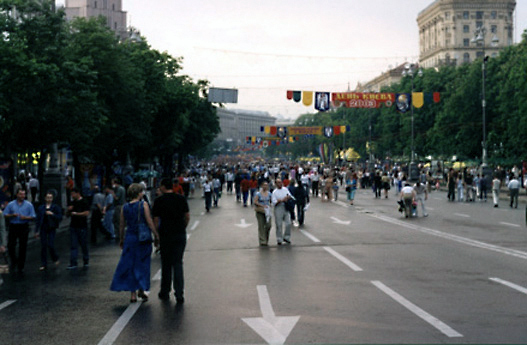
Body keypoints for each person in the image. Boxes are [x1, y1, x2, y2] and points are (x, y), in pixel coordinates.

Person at [110, 183, 160, 303]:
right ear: (138, 193)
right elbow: (149, 221)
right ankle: (142, 289)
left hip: (130, 238)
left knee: (131, 265)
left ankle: (132, 294)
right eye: (141, 192)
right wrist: (156, 235)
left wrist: (121, 239)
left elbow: (122, 225)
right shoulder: (143, 205)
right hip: (143, 239)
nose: (143, 193)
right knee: (143, 264)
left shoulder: (125, 207)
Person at [152, 178, 190, 304]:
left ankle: (165, 291)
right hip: (179, 234)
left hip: (166, 234)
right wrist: (182, 227)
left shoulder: (159, 201)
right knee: (178, 263)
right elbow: (187, 216)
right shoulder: (180, 199)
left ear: (163, 187)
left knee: (166, 264)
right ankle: (179, 293)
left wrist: (156, 235)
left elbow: (156, 220)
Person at [4, 189, 36, 274]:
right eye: (21, 194)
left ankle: (21, 265)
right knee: (11, 245)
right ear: (17, 195)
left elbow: (33, 216)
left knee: (23, 246)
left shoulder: (29, 205)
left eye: (24, 194)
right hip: (13, 226)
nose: (22, 196)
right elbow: (5, 214)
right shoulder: (11, 204)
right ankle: (14, 260)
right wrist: (12, 215)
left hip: (23, 226)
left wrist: (25, 218)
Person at [36, 192, 63, 270]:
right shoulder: (41, 208)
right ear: (45, 198)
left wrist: (52, 214)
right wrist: (36, 230)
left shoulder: (55, 207)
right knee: (43, 245)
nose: (49, 199)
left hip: (51, 228)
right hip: (43, 227)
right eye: (47, 197)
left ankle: (55, 258)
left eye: (50, 197)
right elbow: (38, 220)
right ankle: (43, 263)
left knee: (50, 244)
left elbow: (60, 217)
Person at [67, 188, 90, 269]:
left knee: (83, 244)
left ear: (78, 193)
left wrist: (76, 214)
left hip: (82, 226)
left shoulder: (84, 202)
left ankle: (86, 260)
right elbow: (67, 214)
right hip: (73, 226)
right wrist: (68, 210)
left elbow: (87, 213)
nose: (72, 196)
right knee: (74, 245)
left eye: (73, 194)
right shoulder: (72, 203)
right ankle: (73, 262)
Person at [271, 179, 293, 245]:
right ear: (276, 184)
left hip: (286, 207)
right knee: (279, 224)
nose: (280, 184)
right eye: (278, 183)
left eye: (280, 182)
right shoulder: (274, 192)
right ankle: (279, 238)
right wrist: (281, 200)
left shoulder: (285, 189)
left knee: (288, 223)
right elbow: (274, 202)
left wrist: (288, 197)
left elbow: (290, 195)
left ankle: (287, 237)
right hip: (278, 207)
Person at [253, 182, 272, 246]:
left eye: (266, 185)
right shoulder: (258, 194)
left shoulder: (269, 193)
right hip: (260, 211)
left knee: (268, 225)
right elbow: (255, 202)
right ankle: (262, 240)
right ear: (262, 186)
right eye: (264, 185)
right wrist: (262, 205)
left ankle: (266, 238)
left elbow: (271, 201)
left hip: (267, 211)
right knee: (261, 226)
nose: (265, 186)